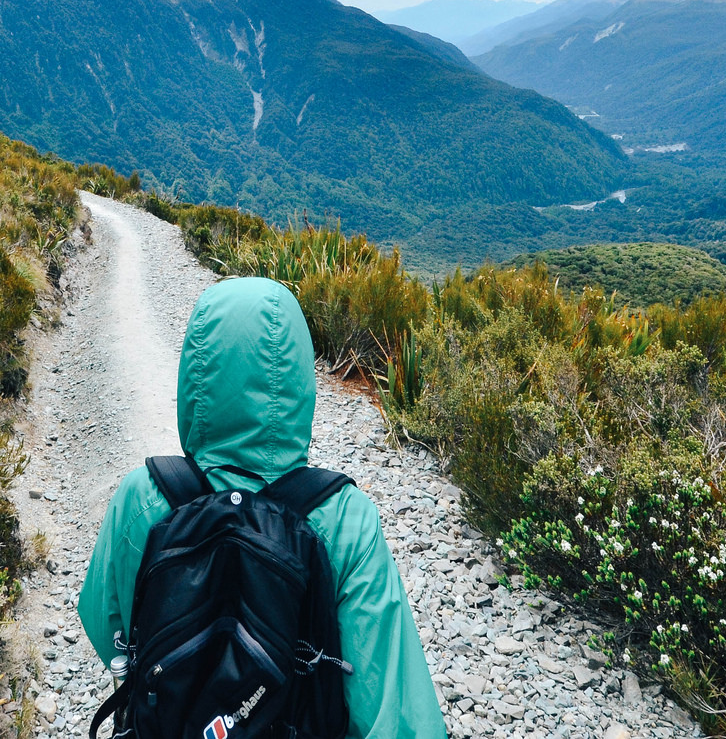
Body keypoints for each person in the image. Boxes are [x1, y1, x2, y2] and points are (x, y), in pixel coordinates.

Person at [77, 276, 448, 737]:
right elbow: (391, 707)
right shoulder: (346, 518)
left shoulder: (143, 496)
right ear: (300, 379)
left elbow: (104, 621)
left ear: (196, 370)